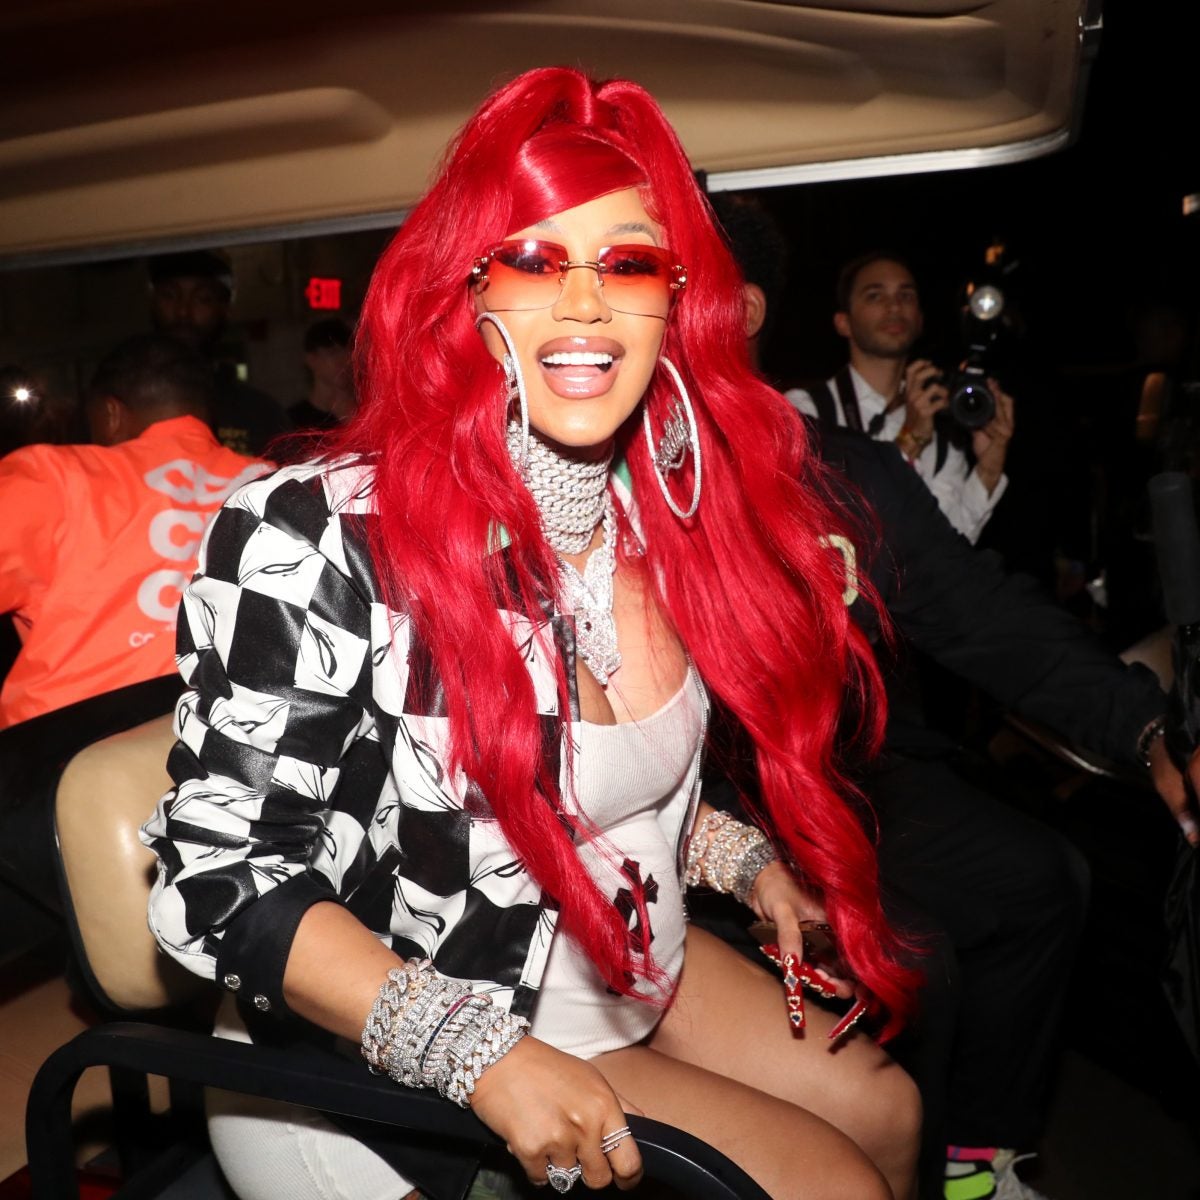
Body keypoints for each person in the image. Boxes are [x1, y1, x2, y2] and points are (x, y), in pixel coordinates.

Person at [141, 68, 924, 1200]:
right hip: (394, 1044)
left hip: (616, 962)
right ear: (465, 292)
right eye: (534, 259)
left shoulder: (663, 512)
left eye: (630, 262)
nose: (588, 305)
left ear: (678, 303)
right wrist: (478, 1054)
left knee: (889, 1112)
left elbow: (585, 788)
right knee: (833, 1184)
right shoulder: (315, 528)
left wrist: (744, 863)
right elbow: (219, 880)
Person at [709, 191, 1195, 1200]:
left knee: (1041, 878)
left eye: (648, 276)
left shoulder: (842, 473)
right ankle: (909, 1176)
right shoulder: (599, 470)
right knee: (916, 957)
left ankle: (982, 1161)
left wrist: (1149, 728)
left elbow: (982, 613)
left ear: (740, 308)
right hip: (709, 806)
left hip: (852, 770)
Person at [0, 333, 271, 729]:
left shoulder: (54, 479)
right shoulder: (281, 485)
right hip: (245, 743)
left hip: (71, 749)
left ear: (110, 413)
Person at [787, 252, 1014, 543]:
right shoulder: (806, 410)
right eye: (875, 295)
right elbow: (827, 531)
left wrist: (989, 467)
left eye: (906, 296)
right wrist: (910, 441)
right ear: (843, 322)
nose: (894, 306)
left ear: (920, 320)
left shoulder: (940, 421)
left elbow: (948, 548)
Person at [149, 248, 292, 456]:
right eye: (170, 295)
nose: (183, 311)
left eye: (202, 299)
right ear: (153, 302)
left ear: (225, 308)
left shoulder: (259, 413)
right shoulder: (122, 407)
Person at [289, 317, 357, 431]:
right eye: (332, 352)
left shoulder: (365, 412)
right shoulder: (293, 420)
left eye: (349, 352)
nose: (344, 360)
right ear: (312, 359)